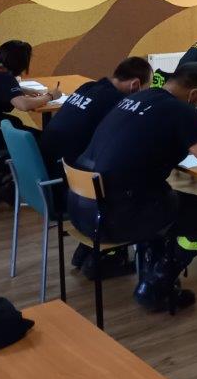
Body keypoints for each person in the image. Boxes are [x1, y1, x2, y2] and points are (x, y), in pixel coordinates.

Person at [73, 62, 197, 310]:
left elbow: (148, 139)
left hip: (82, 207)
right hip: (116, 217)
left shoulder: (137, 98)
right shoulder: (183, 111)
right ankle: (157, 283)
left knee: (163, 201)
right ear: (194, 94)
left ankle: (148, 266)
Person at [40, 56, 153, 279]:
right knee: (131, 185)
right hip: (69, 186)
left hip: (51, 175)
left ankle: (89, 250)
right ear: (135, 85)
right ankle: (105, 257)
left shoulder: (89, 87)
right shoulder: (115, 102)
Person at [0, 40, 62, 202]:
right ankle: (48, 186)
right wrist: (50, 96)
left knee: (25, 129)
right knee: (43, 140)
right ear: (21, 62)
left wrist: (22, 89)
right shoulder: (4, 78)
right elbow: (23, 105)